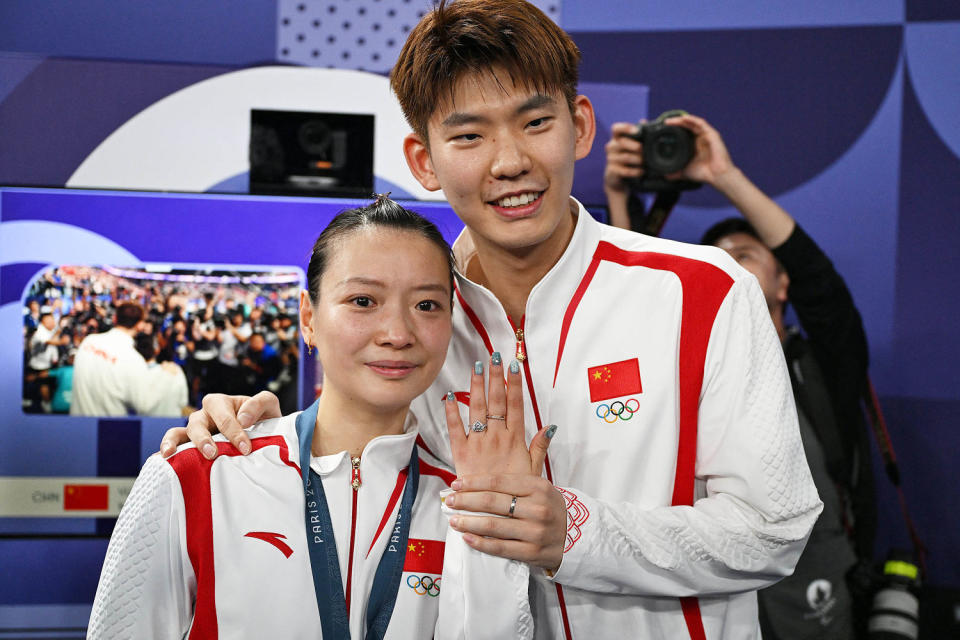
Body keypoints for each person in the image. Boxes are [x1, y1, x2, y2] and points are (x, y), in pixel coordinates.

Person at [163, 2, 822, 638]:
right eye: (470, 135)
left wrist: (573, 532)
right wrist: (254, 432)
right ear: (424, 159)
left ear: (580, 125)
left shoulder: (704, 293)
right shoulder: (415, 328)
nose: (510, 162)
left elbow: (774, 528)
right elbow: (355, 480)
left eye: (535, 122)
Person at [89, 197, 552, 638]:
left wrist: (496, 531)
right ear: (308, 319)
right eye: (363, 301)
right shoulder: (199, 475)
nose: (397, 333)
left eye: (426, 305)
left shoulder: (460, 501)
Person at [606, 113, 875, 639]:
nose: (729, 267)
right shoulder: (674, 364)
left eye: (746, 256)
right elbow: (619, 302)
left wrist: (722, 174)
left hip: (816, 584)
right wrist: (619, 199)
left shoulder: (823, 362)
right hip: (713, 585)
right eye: (718, 259)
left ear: (782, 285)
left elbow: (820, 283)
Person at [70, 302, 156, 416]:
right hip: (110, 429)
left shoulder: (88, 342)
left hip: (76, 426)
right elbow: (143, 406)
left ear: (115, 319)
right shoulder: (134, 360)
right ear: (140, 325)